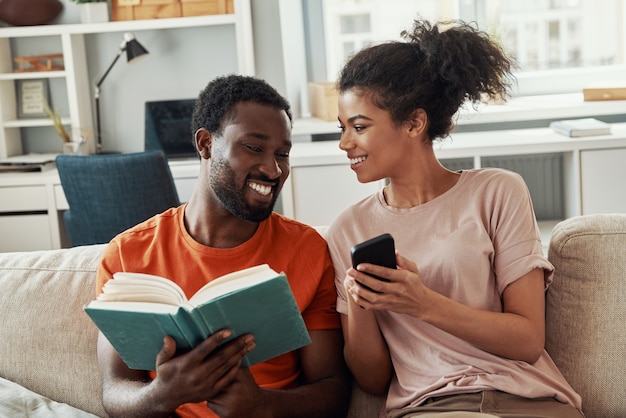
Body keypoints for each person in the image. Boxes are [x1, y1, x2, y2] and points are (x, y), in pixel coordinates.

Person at [325, 19, 583, 418]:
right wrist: (361, 302)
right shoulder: (349, 230)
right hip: (432, 407)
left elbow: (528, 339)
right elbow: (372, 380)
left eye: (359, 127)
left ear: (414, 122)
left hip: (531, 401)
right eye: (342, 128)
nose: (344, 143)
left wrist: (422, 302)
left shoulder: (498, 192)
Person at [95, 74, 350, 418]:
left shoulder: (307, 250)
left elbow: (333, 389)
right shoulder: (127, 255)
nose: (274, 170)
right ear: (205, 144)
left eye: (283, 153)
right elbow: (114, 390)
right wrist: (162, 394)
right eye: (255, 148)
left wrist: (261, 405)